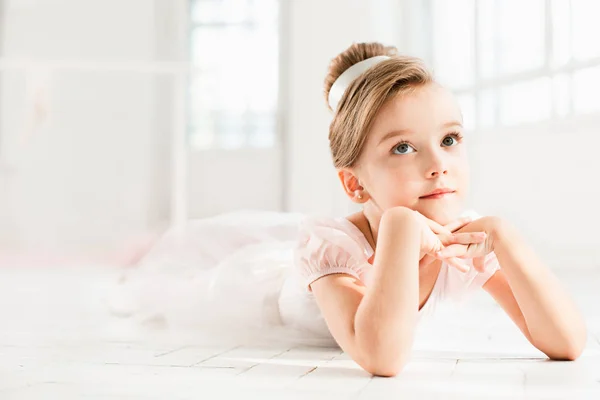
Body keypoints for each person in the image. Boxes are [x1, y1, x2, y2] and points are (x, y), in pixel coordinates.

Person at [109, 42, 587, 377]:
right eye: (403, 148)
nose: (438, 165)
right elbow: (380, 356)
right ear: (355, 184)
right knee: (175, 281)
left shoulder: (464, 240)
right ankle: (139, 255)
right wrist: (401, 226)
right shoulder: (332, 249)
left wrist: (506, 237)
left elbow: (566, 344)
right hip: (255, 295)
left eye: (449, 139)